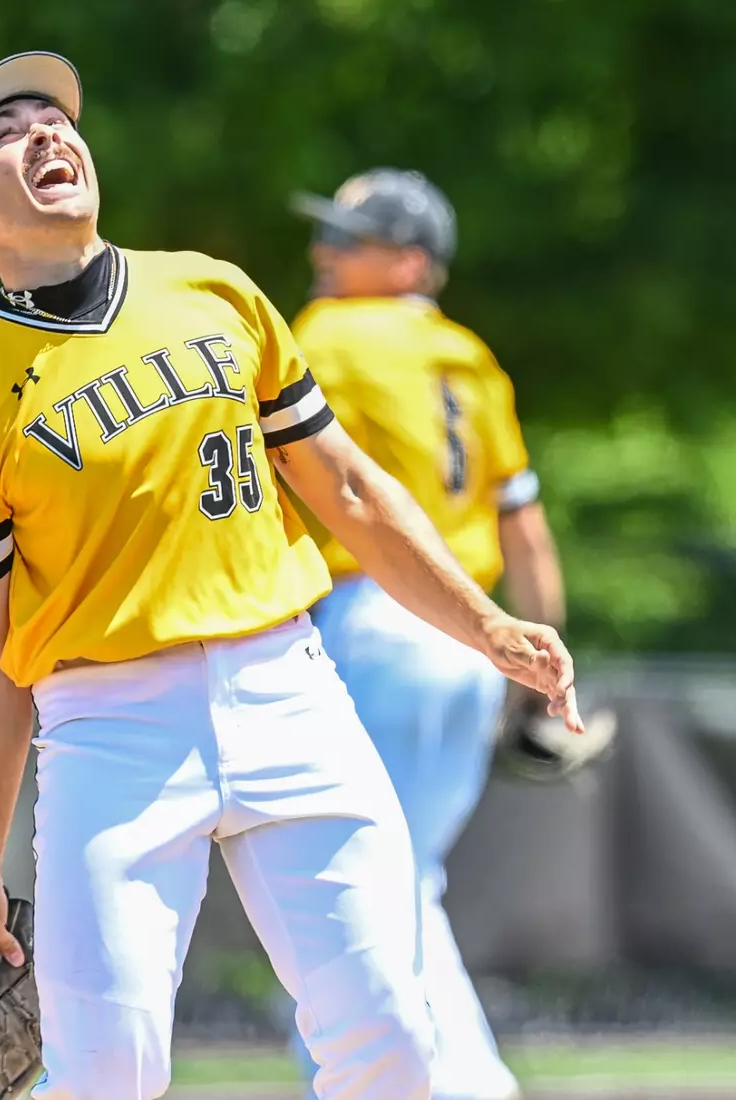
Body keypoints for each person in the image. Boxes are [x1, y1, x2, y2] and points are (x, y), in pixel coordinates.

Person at [0, 52, 581, 1100]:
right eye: (7, 132)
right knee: (107, 1072)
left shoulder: (211, 289)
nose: (46, 134)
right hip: (109, 725)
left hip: (289, 687)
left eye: (56, 118)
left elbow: (348, 490)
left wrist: (486, 623)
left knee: (393, 1040)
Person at [282, 168, 569, 1100]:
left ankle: (421, 1084)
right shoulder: (471, 357)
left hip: (376, 618)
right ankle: (450, 1082)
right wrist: (539, 668)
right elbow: (522, 524)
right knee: (403, 879)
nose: (324, 250)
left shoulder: (326, 332)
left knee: (349, 885)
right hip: (472, 638)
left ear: (410, 260)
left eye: (348, 238)